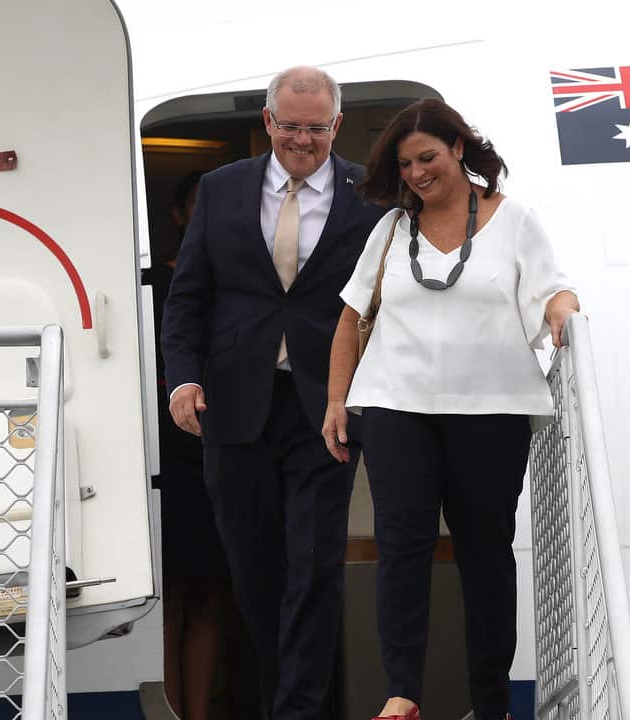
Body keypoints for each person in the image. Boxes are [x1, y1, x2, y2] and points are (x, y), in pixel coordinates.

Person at [321, 98, 579, 720]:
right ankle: (402, 691)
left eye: (428, 157)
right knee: (402, 547)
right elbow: (352, 317)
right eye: (406, 163)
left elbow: (552, 288)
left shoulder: (515, 221)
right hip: (394, 407)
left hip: (491, 410)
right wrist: (336, 400)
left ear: (459, 148)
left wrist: (565, 313)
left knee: (485, 553)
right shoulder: (390, 231)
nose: (416, 173)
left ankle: (491, 702)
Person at [161, 66, 387, 719]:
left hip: (327, 408)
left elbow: (387, 302)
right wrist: (185, 378)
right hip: (234, 410)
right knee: (256, 575)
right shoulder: (221, 188)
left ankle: (298, 712)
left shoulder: (368, 196)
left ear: (336, 126)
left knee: (313, 569)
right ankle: (282, 701)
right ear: (268, 122)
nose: (302, 140)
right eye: (290, 126)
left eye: (316, 128)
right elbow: (189, 302)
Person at [148, 170, 257, 720]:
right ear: (180, 216)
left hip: (223, 449)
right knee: (169, 600)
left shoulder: (237, 286)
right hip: (163, 463)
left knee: (214, 596)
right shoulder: (150, 286)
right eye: (195, 205)